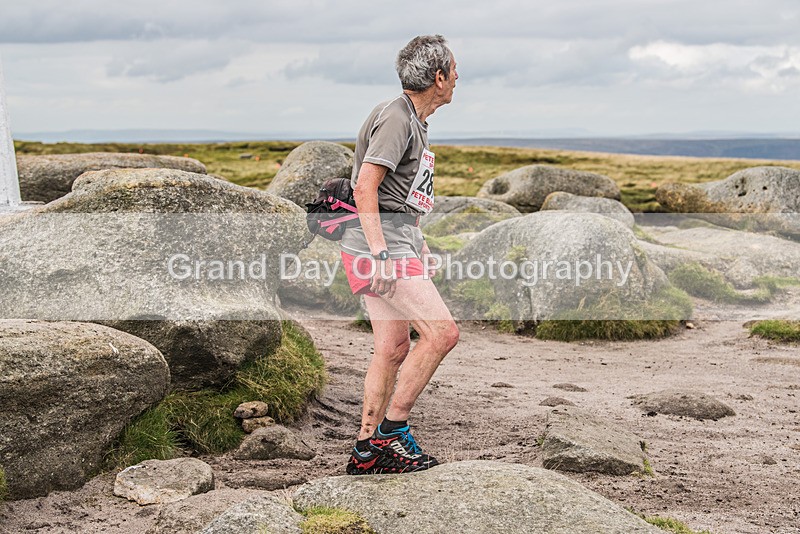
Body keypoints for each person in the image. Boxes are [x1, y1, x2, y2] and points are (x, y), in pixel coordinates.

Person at [339, 35, 460, 475]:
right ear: (439, 77)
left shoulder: (413, 118)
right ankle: (393, 431)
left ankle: (366, 451)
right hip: (376, 247)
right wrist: (382, 253)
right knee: (442, 333)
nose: (458, 77)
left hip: (391, 240)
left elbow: (398, 193)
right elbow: (365, 185)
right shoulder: (397, 117)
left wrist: (417, 239)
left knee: (391, 349)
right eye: (454, 69)